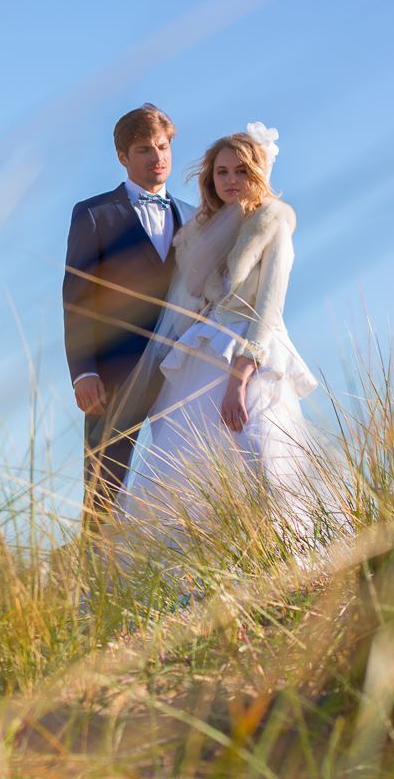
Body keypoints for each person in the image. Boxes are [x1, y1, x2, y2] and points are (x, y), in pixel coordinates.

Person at [115, 123, 319, 552]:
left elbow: (269, 309)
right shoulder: (198, 232)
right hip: (201, 356)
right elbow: (188, 303)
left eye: (241, 171)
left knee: (259, 458)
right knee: (189, 466)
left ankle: (279, 557)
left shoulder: (274, 222)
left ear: (257, 173)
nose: (230, 180)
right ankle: (195, 568)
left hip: (249, 355)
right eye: (221, 172)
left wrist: (239, 378)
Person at [63, 104, 197, 529]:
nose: (157, 157)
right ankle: (93, 567)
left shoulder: (196, 218)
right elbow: (78, 297)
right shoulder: (94, 213)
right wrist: (84, 372)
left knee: (186, 470)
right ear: (123, 157)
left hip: (182, 366)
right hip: (114, 372)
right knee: (104, 481)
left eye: (163, 147)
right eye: (144, 149)